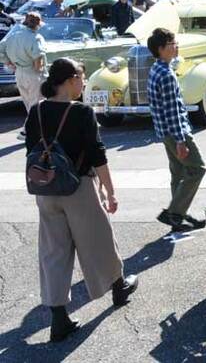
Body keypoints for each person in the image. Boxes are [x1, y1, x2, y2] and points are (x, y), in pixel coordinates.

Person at [26, 58, 139, 342]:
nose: (84, 82)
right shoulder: (82, 113)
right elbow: (97, 155)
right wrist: (110, 191)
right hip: (78, 188)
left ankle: (58, 317)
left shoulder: (35, 111)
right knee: (99, 239)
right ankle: (118, 287)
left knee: (53, 252)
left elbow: (31, 150)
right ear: (69, 80)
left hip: (45, 189)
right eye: (81, 76)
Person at [147, 28, 206, 234]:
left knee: (179, 172)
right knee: (198, 169)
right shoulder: (166, 74)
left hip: (164, 131)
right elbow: (172, 110)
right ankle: (174, 212)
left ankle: (178, 214)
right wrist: (181, 140)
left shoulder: (156, 69)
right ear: (161, 49)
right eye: (172, 44)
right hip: (175, 132)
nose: (176, 46)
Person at [0, 12, 46, 140]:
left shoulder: (13, 35)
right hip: (33, 73)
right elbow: (38, 58)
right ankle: (27, 131)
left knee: (29, 104)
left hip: (19, 72)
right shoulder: (36, 37)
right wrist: (39, 71)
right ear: (37, 25)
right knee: (37, 105)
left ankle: (36, 132)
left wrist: (9, 63)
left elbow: (0, 50)